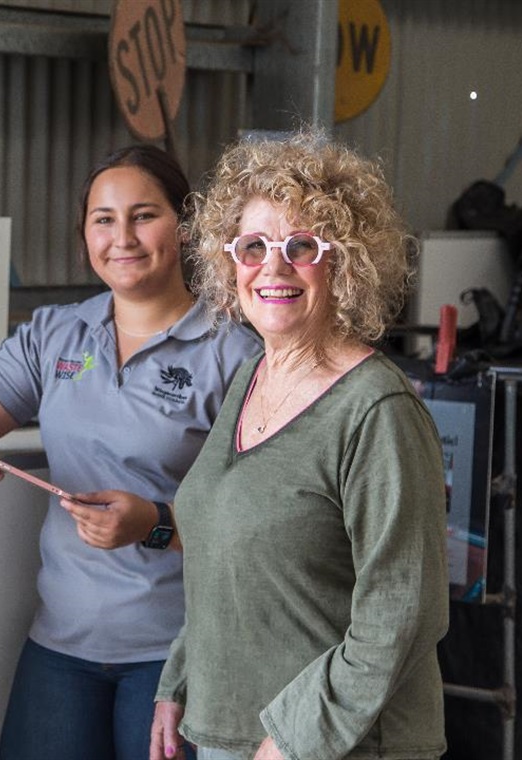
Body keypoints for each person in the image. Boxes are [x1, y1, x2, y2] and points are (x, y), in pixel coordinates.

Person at [0, 144, 260, 760]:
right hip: (60, 650)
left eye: (143, 215)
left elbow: (261, 526)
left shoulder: (234, 352)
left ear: (184, 227)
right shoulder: (57, 334)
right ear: (84, 235)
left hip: (180, 658)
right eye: (103, 219)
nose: (121, 237)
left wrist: (152, 526)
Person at [141, 129, 450, 760]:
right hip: (234, 730)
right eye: (253, 247)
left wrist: (293, 740)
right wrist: (179, 680)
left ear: (346, 262)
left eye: (301, 246)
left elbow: (401, 614)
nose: (273, 267)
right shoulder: (251, 376)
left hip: (336, 745)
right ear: (229, 263)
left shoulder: (378, 411)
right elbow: (221, 552)